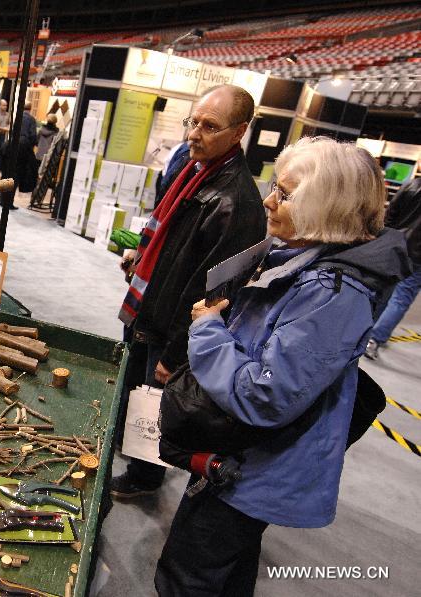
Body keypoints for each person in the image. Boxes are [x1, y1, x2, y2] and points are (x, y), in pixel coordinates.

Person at [155, 137, 409, 596]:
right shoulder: (299, 256)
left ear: (326, 208)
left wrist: (209, 330)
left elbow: (262, 395)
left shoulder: (332, 295)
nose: (269, 201)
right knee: (226, 569)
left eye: (286, 195)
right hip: (244, 454)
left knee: (188, 572)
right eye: (276, 187)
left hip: (257, 467)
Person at [112, 84, 266, 498]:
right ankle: (130, 455)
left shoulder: (236, 202)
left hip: (170, 328)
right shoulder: (195, 171)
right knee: (133, 393)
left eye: (209, 126)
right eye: (193, 122)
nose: (194, 134)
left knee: (156, 407)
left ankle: (146, 477)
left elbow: (212, 291)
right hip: (150, 311)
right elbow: (172, 244)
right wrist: (141, 260)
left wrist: (177, 352)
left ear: (239, 133)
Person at [365, 177, 421, 359]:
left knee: (384, 292)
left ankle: (365, 332)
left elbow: (391, 213)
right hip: (418, 256)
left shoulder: (410, 185)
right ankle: (374, 339)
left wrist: (384, 239)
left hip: (396, 247)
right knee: (401, 298)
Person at [17, 102, 38, 193]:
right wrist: (33, 145)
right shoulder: (32, 119)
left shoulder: (18, 117)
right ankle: (23, 186)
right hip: (26, 146)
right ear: (30, 108)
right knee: (24, 167)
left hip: (16, 143)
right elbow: (33, 135)